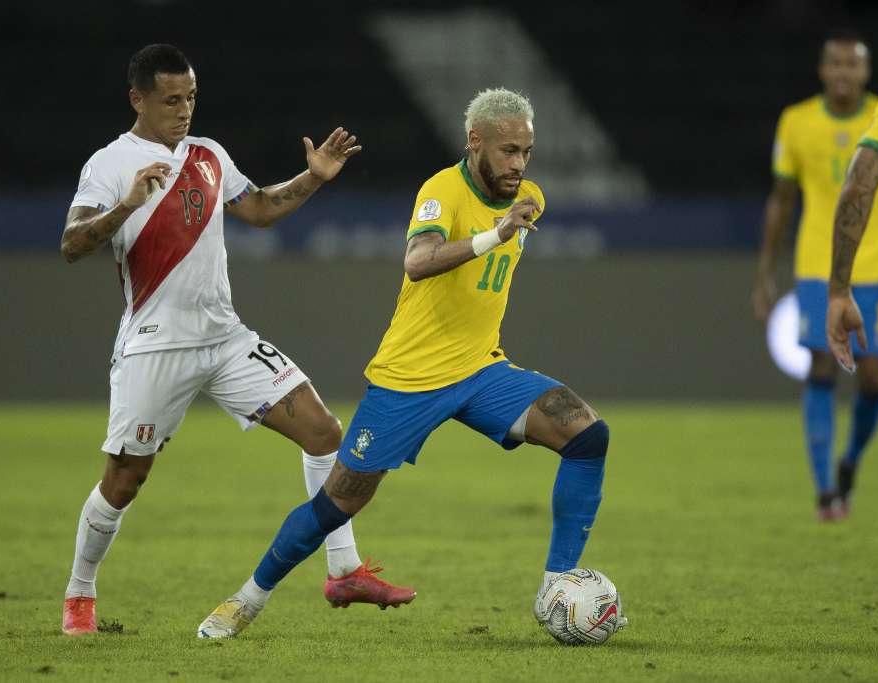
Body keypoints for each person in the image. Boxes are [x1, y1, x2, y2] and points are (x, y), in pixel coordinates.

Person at [197, 88, 619, 639]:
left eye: (527, 152)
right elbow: (418, 262)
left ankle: (558, 583)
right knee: (337, 505)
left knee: (587, 435)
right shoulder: (442, 191)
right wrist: (497, 233)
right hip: (410, 380)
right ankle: (245, 600)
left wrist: (509, 223)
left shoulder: (530, 197)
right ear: (475, 142)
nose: (519, 163)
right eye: (509, 150)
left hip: (481, 370)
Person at [58, 44, 414, 636]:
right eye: (171, 99)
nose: (184, 110)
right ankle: (80, 592)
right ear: (137, 99)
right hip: (155, 345)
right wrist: (126, 205)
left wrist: (313, 178)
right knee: (124, 480)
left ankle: (343, 569)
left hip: (225, 340)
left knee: (327, 432)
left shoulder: (209, 155)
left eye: (191, 97)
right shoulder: (111, 163)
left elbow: (261, 209)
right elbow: (73, 244)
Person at [751, 31, 878, 521]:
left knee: (875, 379)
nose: (844, 73)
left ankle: (850, 460)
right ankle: (826, 489)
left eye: (854, 65)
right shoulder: (797, 121)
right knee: (821, 367)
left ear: (866, 72)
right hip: (817, 266)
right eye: (836, 64)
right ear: (822, 69)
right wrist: (765, 269)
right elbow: (781, 200)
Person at [825, 84, 878, 514]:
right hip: (873, 268)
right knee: (872, 379)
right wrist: (841, 286)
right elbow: (860, 181)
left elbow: (860, 179)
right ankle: (847, 464)